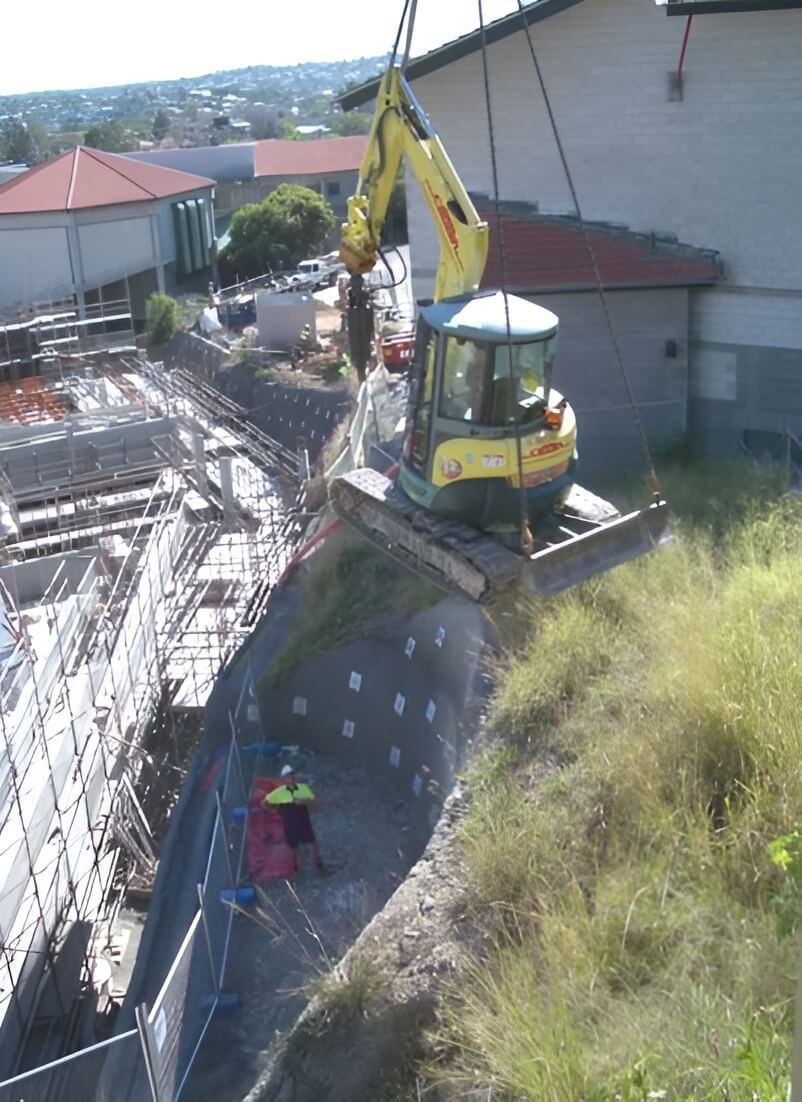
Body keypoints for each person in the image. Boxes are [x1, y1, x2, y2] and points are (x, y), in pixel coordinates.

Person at [264, 765, 326, 875]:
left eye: (292, 775)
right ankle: (295, 868)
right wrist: (276, 810)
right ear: (283, 779)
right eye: (288, 777)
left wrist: (305, 802)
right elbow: (265, 803)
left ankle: (318, 864)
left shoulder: (303, 788)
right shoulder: (279, 792)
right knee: (293, 846)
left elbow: (316, 802)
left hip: (303, 820)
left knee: (313, 843)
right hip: (290, 822)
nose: (291, 779)